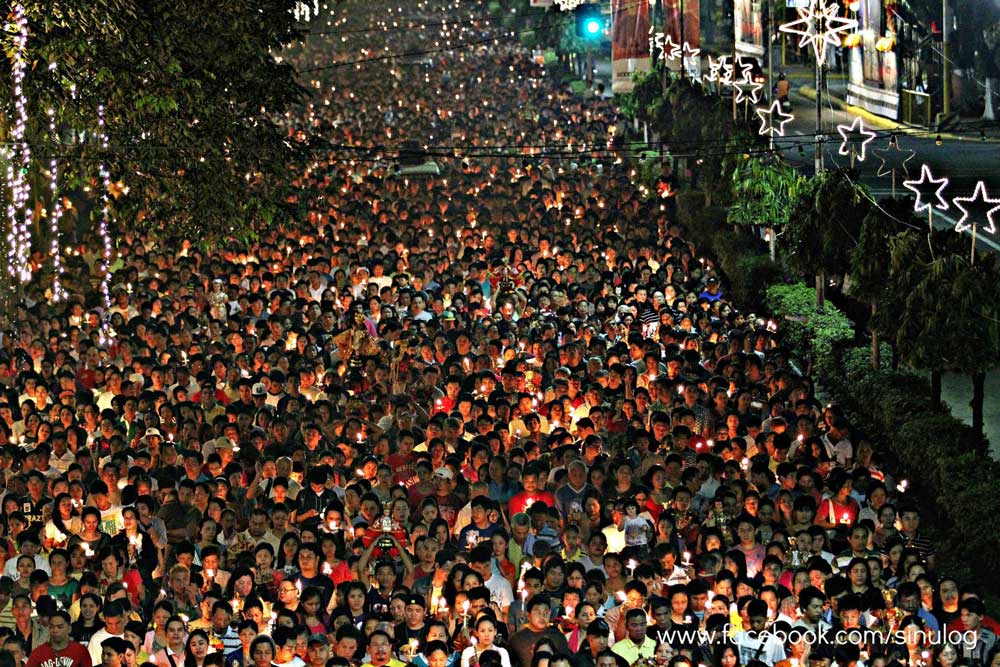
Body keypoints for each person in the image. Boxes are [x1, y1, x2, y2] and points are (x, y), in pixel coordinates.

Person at [26, 609, 92, 667]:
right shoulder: (38, 653)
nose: (55, 630)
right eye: (52, 627)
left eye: (60, 627)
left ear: (69, 628)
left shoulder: (81, 651)